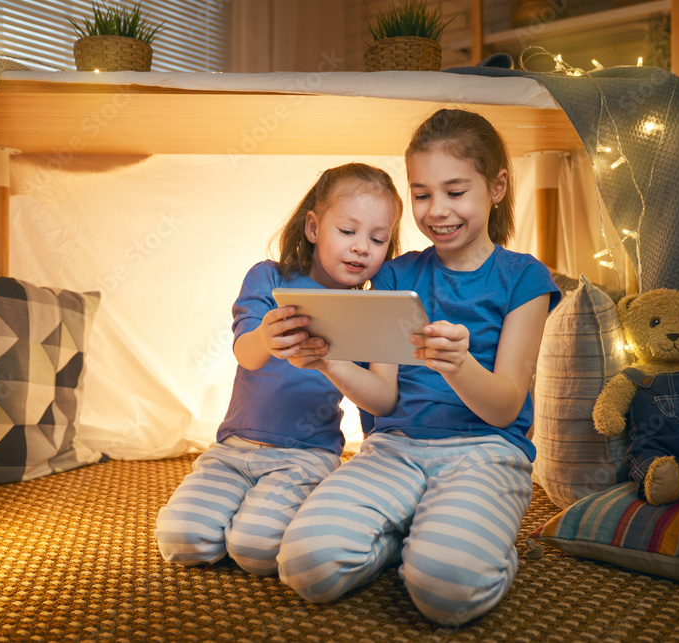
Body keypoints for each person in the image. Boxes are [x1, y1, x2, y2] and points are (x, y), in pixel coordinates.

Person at [277, 109, 561, 625]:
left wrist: (458, 366)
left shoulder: (525, 278)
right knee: (305, 567)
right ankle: (409, 534)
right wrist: (328, 361)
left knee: (445, 593)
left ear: (496, 187)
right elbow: (382, 399)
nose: (437, 211)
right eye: (422, 194)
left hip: (486, 452)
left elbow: (505, 408)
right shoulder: (394, 275)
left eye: (455, 191)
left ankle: (485, 549)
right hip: (395, 448)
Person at [154, 162, 403, 576]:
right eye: (348, 232)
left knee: (255, 549)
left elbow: (378, 398)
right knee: (182, 540)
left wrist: (335, 366)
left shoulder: (370, 309)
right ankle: (234, 516)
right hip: (233, 450)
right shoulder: (268, 278)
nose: (362, 247)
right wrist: (266, 339)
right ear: (313, 228)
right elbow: (245, 353)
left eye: (378, 239)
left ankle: (267, 521)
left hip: (305, 456)